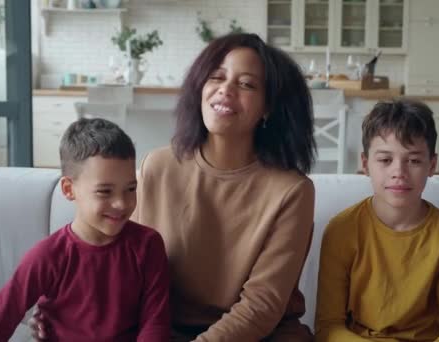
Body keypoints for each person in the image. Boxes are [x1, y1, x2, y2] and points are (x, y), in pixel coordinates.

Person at [31, 33, 317, 341]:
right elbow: (119, 261)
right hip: (162, 329)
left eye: (246, 84)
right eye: (216, 77)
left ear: (268, 107)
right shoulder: (159, 166)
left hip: (259, 336)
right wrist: (68, 310)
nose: (225, 89)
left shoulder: (292, 191)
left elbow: (262, 306)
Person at [0, 118, 170, 342]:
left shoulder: (148, 245)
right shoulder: (48, 256)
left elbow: (156, 323)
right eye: (105, 192)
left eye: (130, 189)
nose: (121, 204)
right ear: (68, 189)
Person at [315, 99, 439, 342]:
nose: (398, 172)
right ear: (366, 165)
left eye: (413, 160)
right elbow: (328, 327)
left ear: (431, 165)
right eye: (385, 160)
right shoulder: (342, 230)